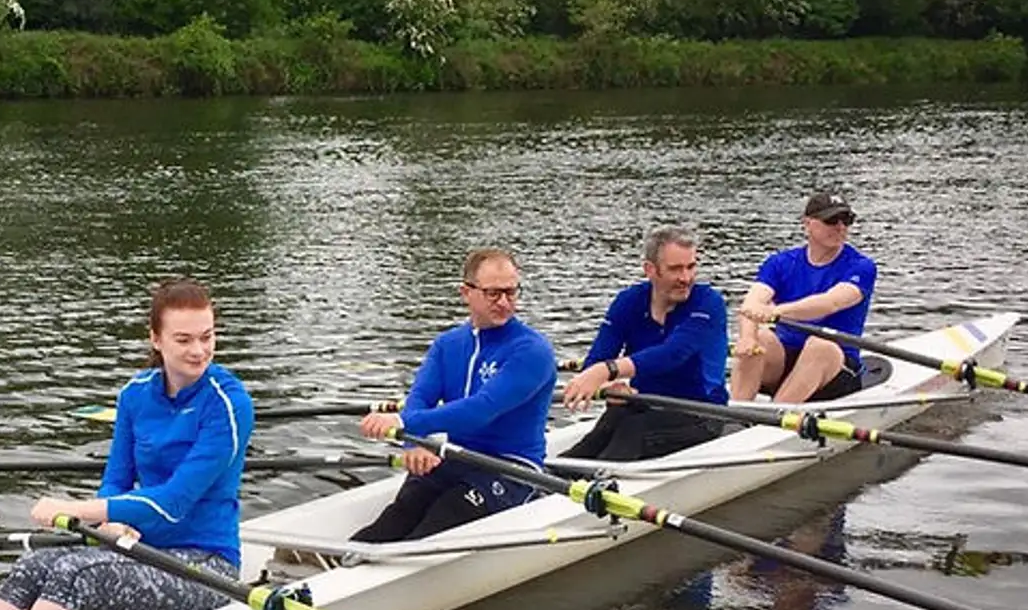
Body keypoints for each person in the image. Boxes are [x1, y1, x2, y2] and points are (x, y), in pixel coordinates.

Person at [0, 278, 255, 610]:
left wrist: (80, 509)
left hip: (206, 567)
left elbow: (173, 501)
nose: (199, 350)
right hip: (141, 550)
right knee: (32, 564)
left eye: (207, 336)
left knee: (74, 573)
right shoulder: (134, 395)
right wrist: (113, 519)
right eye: (183, 340)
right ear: (156, 339)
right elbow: (116, 478)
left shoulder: (229, 404)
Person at [352, 248, 557, 543]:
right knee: (400, 513)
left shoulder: (532, 350)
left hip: (510, 469)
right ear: (466, 292)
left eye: (511, 293)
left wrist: (403, 422)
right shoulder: (447, 344)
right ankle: (331, 566)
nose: (504, 302)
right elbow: (420, 397)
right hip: (455, 457)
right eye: (493, 293)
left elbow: (481, 410)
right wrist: (414, 444)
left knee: (442, 519)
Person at [559, 225, 730, 461]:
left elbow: (673, 354)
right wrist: (608, 386)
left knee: (631, 433)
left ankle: (585, 486)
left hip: (701, 412)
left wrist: (608, 370)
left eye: (691, 267)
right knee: (599, 435)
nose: (686, 278)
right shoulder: (629, 301)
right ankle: (549, 480)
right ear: (650, 270)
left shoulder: (709, 304)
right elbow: (597, 359)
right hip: (643, 402)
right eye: (675, 269)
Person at [729, 192, 879, 403]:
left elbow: (830, 303)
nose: (840, 227)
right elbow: (752, 304)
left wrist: (776, 312)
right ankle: (737, 411)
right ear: (807, 224)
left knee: (820, 346)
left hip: (836, 368)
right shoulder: (780, 262)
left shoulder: (861, 267)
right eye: (831, 220)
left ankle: (775, 420)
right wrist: (747, 337)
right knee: (760, 338)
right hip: (786, 362)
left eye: (846, 220)